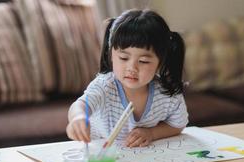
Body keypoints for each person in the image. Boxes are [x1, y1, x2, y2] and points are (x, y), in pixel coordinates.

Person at [66, 9, 188, 147]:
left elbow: (178, 125)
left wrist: (151, 133)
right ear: (110, 54)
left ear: (161, 61)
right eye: (124, 58)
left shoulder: (167, 93)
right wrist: (78, 117)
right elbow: (81, 105)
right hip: (101, 158)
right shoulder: (104, 86)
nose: (132, 68)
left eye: (143, 61)